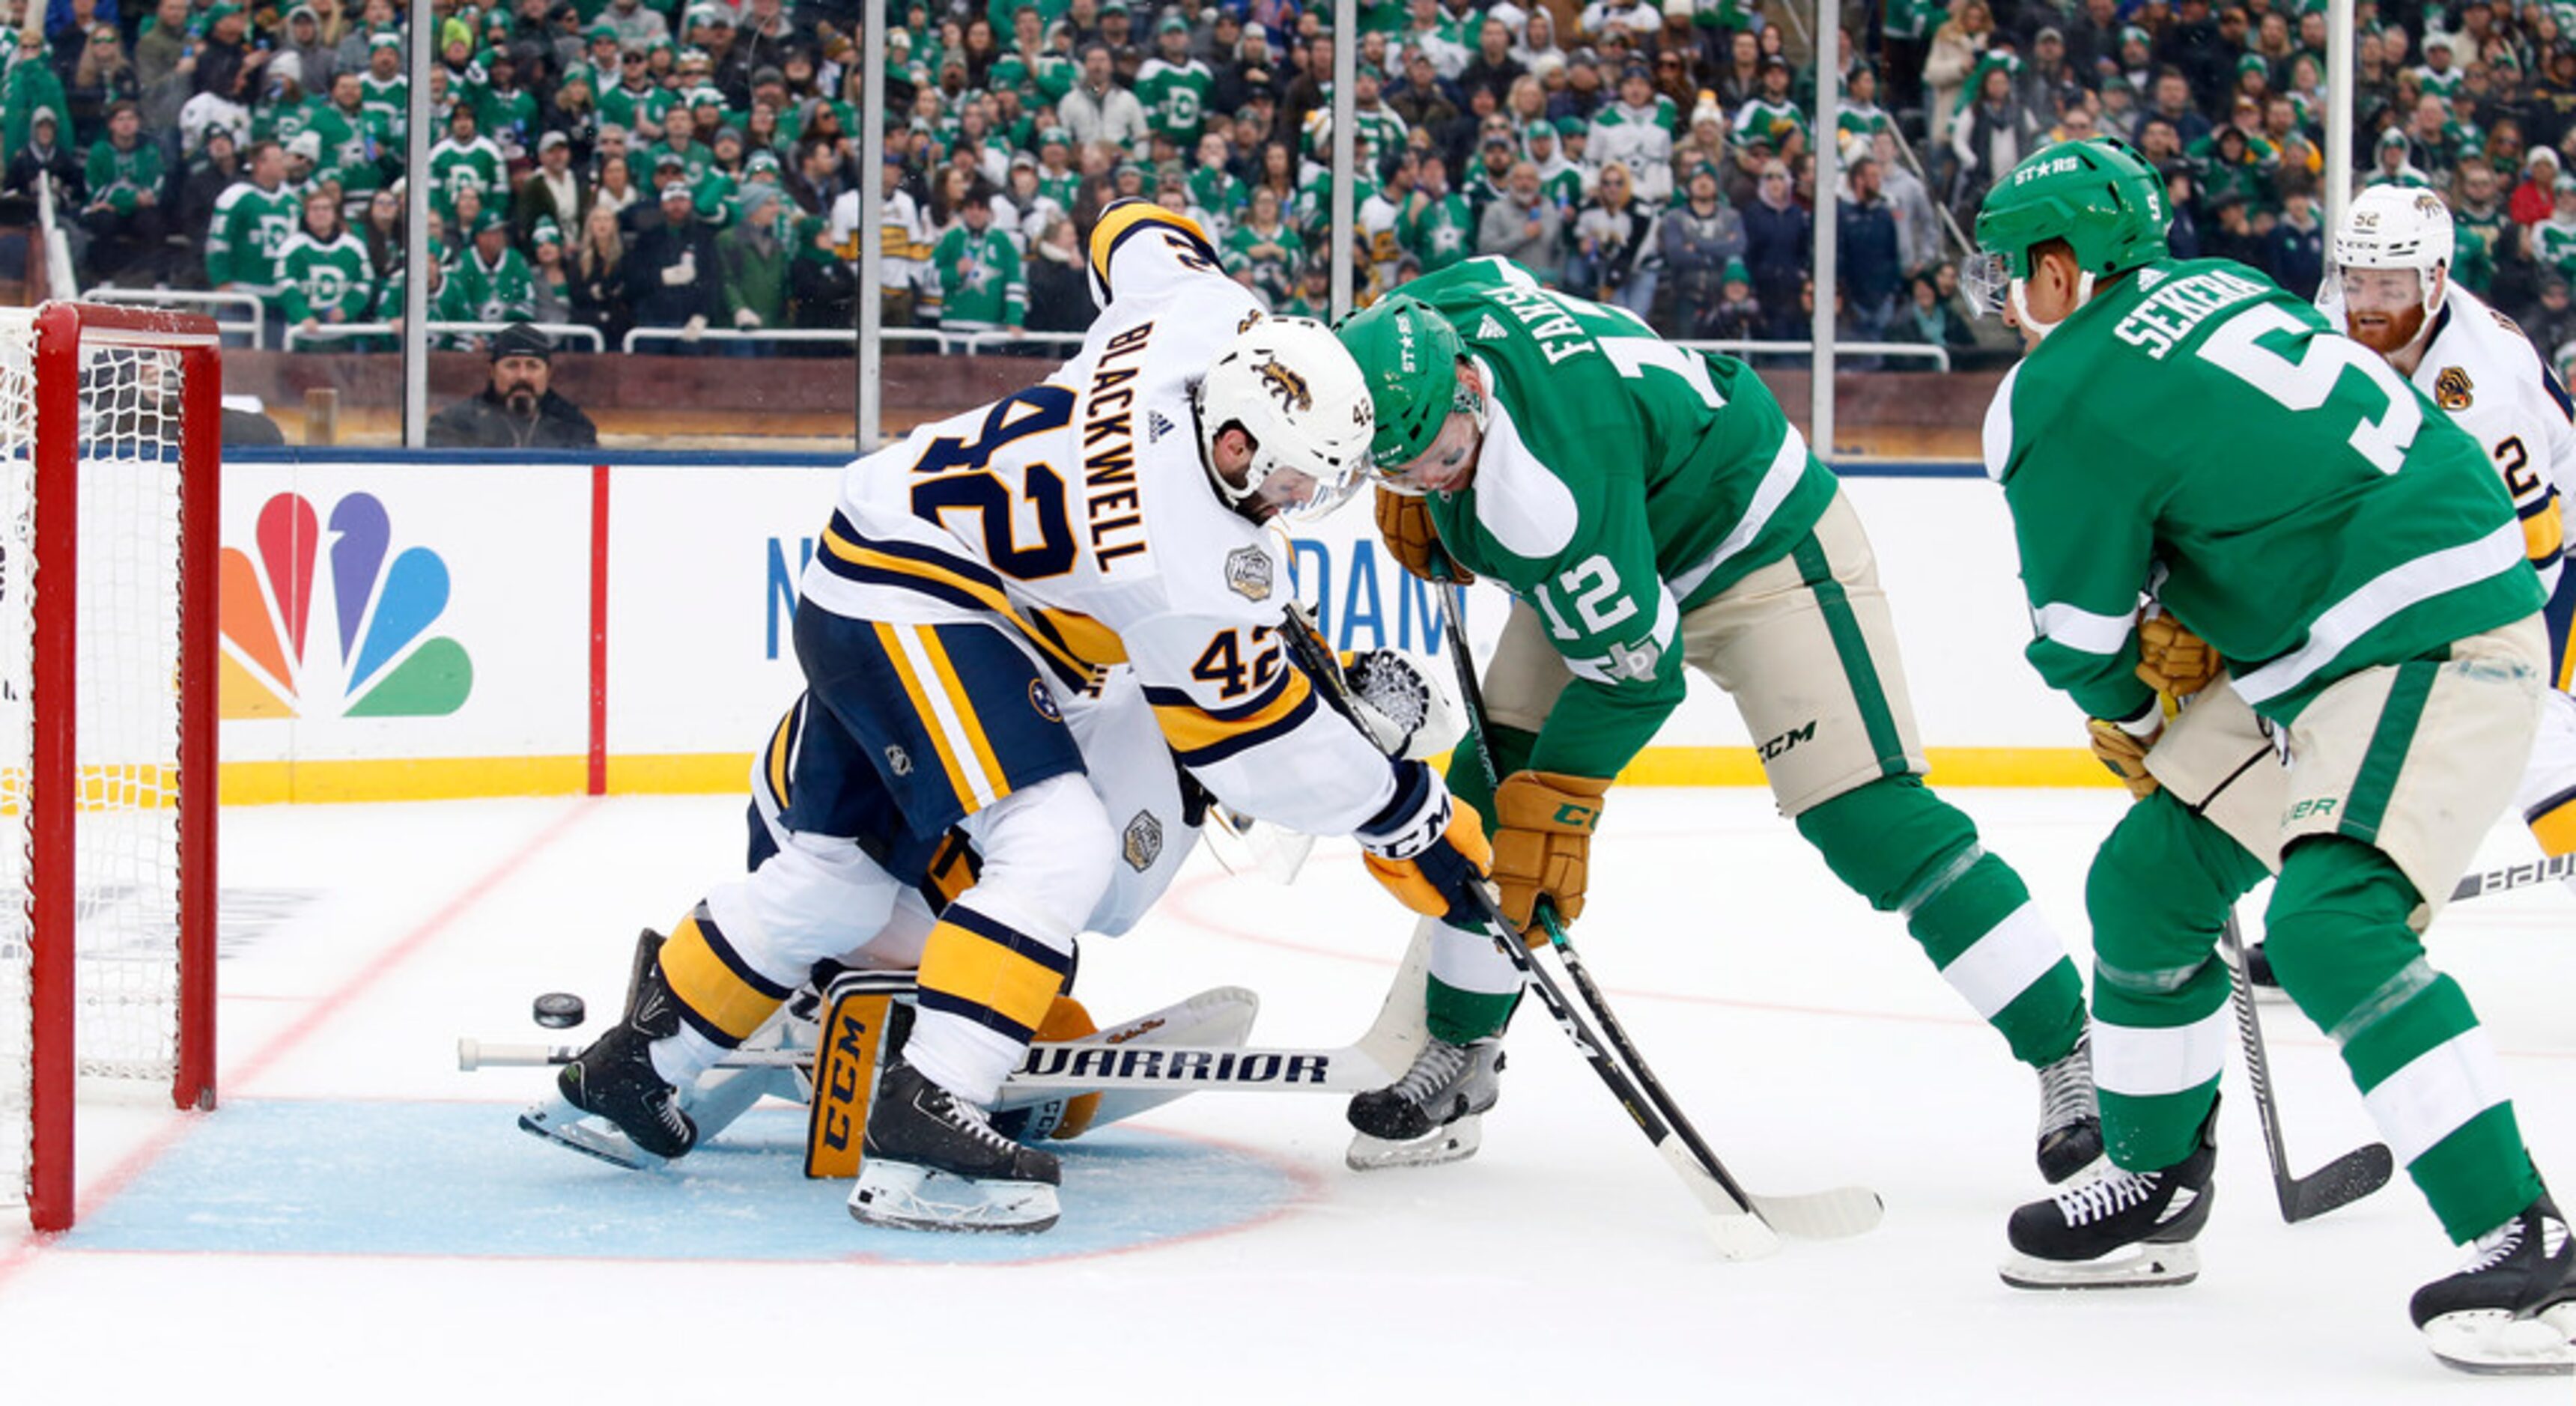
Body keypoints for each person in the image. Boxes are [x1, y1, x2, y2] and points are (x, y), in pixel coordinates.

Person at [540, 200, 1494, 1235]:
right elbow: (1256, 745)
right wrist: (1410, 817)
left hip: (862, 560)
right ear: (1236, 444)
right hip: (920, 603)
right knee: (1057, 844)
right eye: (1296, 481)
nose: (1299, 501)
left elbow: (1132, 227)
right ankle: (932, 1105)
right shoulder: (1192, 555)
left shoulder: (1201, 316)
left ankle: (633, 1066)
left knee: (837, 875)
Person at [1969, 138, 2571, 1374]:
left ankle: (2534, 1246)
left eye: (2011, 267)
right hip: (2348, 631)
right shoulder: (2228, 284)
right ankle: (2151, 1183)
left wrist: (2135, 710)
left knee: (2330, 924)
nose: (1999, 294)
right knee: (2148, 881)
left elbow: (2080, 637)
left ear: (2062, 265)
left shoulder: (2058, 389)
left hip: (2425, 631)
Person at [1317, 257, 2102, 1185]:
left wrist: (1559, 807)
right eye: (1400, 474)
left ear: (1468, 391)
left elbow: (1637, 681)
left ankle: (2074, 1057)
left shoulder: (1541, 504)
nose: (1435, 483)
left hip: (1756, 548)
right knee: (1482, 801)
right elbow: (1492, 272)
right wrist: (1415, 485)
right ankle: (1460, 1051)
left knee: (1868, 824)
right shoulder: (1426, 322)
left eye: (1444, 462)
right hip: (1623, 519)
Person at [425, 322, 598, 448]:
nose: (522, 375)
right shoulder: (456, 424)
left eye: (533, 366)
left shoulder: (574, 426)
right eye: (512, 365)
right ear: (492, 371)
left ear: (548, 373)